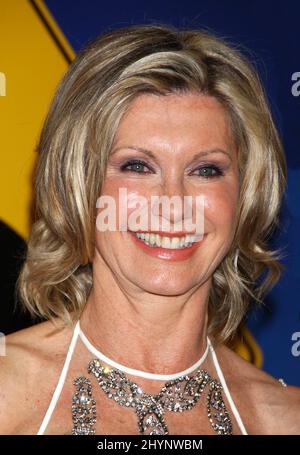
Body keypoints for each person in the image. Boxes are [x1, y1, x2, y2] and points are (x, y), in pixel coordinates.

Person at [0, 23, 299, 435]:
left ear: (245, 196)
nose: (173, 203)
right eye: (137, 167)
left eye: (206, 170)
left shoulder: (286, 418)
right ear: (78, 186)